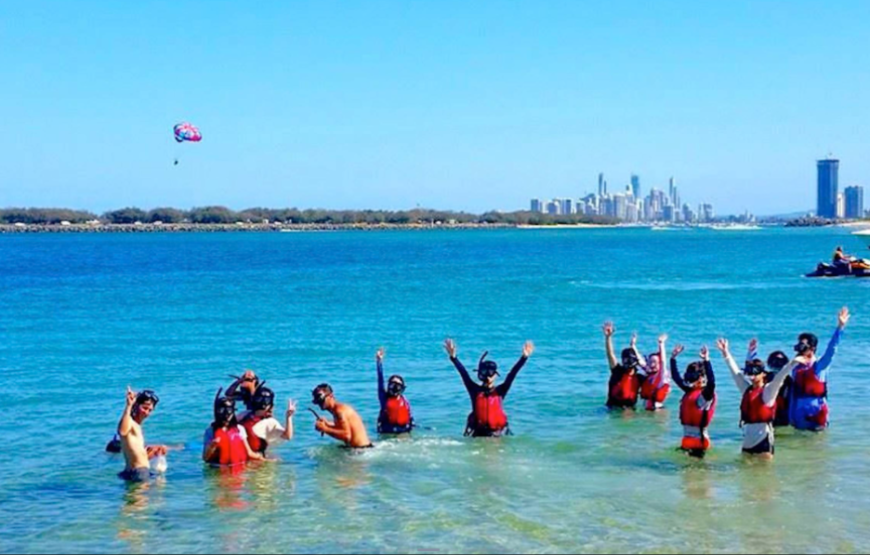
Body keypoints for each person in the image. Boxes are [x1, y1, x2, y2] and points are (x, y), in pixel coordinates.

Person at [718, 338, 797, 459]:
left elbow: (780, 377)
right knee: (746, 475)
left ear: (763, 374)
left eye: (756, 374)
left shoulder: (769, 391)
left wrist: (793, 362)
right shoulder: (747, 390)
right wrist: (726, 353)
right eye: (750, 374)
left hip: (763, 441)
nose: (752, 377)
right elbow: (735, 373)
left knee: (765, 476)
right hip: (747, 441)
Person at [444, 338, 534, 437]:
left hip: (496, 436)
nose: (488, 377)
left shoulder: (500, 391)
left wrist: (524, 357)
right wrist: (454, 357)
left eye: (491, 374)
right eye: (485, 374)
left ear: (495, 375)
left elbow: (513, 373)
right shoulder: (474, 390)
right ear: (480, 375)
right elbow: (463, 373)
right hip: (478, 435)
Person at [789, 307, 850, 431]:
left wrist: (840, 327)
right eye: (799, 345)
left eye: (803, 346)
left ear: (812, 348)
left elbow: (831, 350)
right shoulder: (795, 366)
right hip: (799, 413)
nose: (800, 350)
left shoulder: (819, 365)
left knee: (818, 444)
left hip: (817, 411)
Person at [671, 344, 717, 458]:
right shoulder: (689, 391)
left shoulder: (704, 397)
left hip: (699, 443)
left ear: (701, 378)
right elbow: (676, 377)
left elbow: (711, 383)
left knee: (697, 473)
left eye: (693, 376)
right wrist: (672, 358)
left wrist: (707, 361)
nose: (689, 379)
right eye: (688, 376)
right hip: (687, 441)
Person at [116, 388, 168, 482]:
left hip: (133, 471)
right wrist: (128, 405)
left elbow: (135, 453)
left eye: (150, 410)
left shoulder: (137, 426)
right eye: (144, 408)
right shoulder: (130, 422)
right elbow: (122, 432)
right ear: (136, 405)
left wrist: (153, 451)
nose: (147, 412)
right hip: (139, 472)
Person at [203, 390, 265, 466]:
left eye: (229, 411)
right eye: (222, 411)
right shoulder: (210, 431)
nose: (227, 415)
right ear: (217, 412)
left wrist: (262, 458)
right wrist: (211, 447)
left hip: (238, 468)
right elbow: (205, 458)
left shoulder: (239, 429)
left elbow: (249, 453)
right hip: (218, 470)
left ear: (233, 412)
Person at [745, 339, 792, 428]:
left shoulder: (764, 377)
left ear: (769, 363)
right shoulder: (790, 380)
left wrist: (751, 352)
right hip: (784, 416)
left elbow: (751, 369)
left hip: (767, 414)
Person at [238, 386, 295, 456]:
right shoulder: (245, 414)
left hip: (257, 460)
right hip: (242, 457)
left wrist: (289, 417)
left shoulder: (270, 422)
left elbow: (288, 436)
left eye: (266, 400)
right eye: (259, 399)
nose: (262, 402)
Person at [311, 384, 373, 448]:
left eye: (321, 400)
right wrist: (327, 424)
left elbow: (346, 435)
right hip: (362, 448)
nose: (319, 403)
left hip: (362, 451)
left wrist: (325, 429)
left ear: (331, 396)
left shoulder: (339, 411)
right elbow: (344, 427)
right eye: (317, 401)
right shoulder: (338, 409)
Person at [375, 348, 415, 434]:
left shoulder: (405, 401)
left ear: (402, 388)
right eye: (393, 384)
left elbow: (410, 417)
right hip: (387, 433)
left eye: (398, 385)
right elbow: (380, 380)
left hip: (404, 432)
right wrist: (379, 362)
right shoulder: (384, 398)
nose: (395, 387)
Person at [603, 322, 641, 410]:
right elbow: (610, 354)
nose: (628, 363)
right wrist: (608, 337)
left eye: (630, 360)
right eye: (626, 360)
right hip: (613, 408)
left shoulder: (639, 377)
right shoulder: (617, 371)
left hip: (630, 410)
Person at [638, 334, 671, 411]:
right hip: (647, 410)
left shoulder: (662, 377)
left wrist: (661, 344)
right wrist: (633, 346)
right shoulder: (650, 374)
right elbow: (640, 362)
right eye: (650, 362)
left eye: (655, 362)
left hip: (657, 411)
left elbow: (663, 361)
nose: (652, 364)